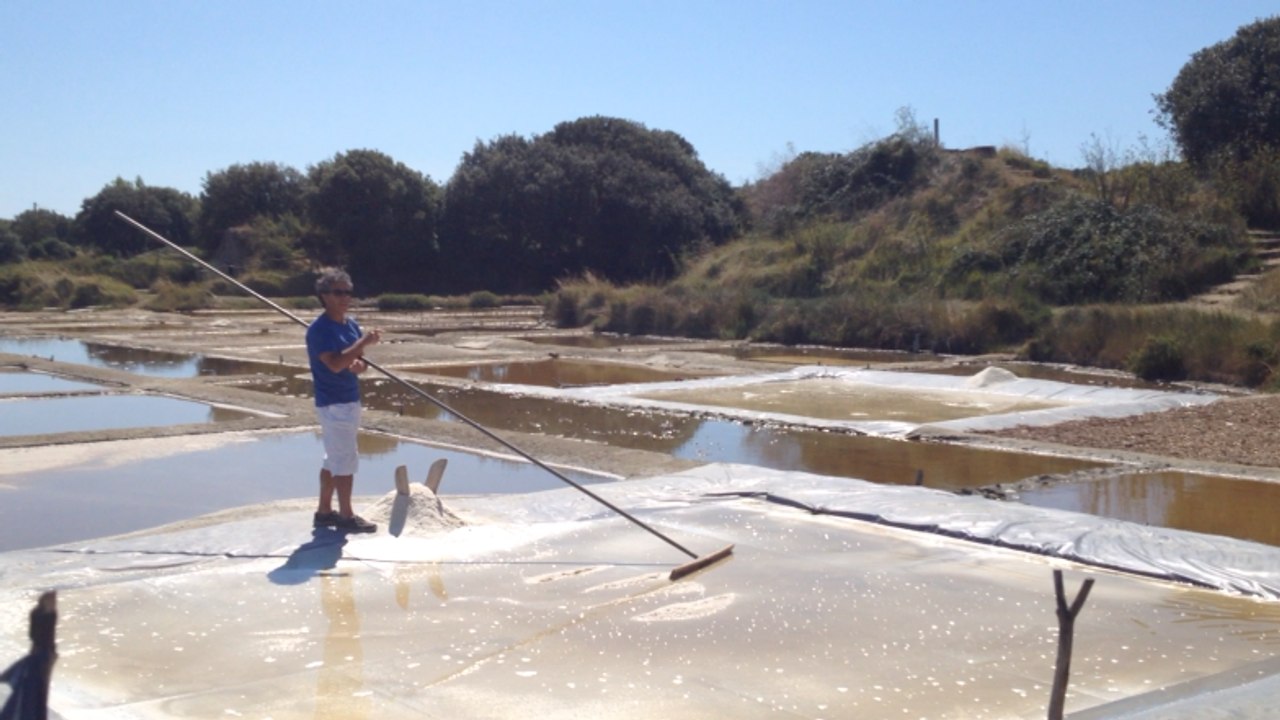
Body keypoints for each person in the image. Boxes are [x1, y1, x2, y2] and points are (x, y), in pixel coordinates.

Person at [307, 268, 381, 533]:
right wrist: (363, 343)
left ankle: (325, 511)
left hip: (350, 398)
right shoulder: (320, 330)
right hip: (333, 402)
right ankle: (346, 516)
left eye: (348, 292)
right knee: (345, 460)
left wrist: (360, 365)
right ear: (324, 296)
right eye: (338, 292)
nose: (345, 298)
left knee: (333, 459)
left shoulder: (349, 325)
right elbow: (336, 364)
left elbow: (355, 361)